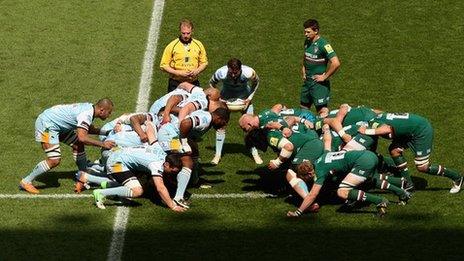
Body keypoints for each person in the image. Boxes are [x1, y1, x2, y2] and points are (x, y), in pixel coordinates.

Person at [19, 99, 116, 194]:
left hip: (58, 124)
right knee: (54, 160)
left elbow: (87, 128)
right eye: (109, 112)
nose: (109, 115)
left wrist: (107, 132)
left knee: (78, 145)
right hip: (47, 124)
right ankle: (26, 181)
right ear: (102, 110)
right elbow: (82, 137)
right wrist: (103, 144)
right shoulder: (86, 114)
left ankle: (83, 177)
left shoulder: (90, 108)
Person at [358, 112, 464, 193]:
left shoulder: (374, 124)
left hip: (421, 131)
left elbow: (386, 129)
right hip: (410, 130)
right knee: (394, 150)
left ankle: (457, 177)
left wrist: (366, 131)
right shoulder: (376, 116)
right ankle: (408, 184)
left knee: (422, 167)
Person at [93, 143, 186, 211]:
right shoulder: (156, 165)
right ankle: (101, 193)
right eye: (172, 171)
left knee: (141, 180)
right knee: (137, 191)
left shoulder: (163, 153)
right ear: (166, 164)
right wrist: (172, 206)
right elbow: (160, 188)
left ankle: (109, 185)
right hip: (115, 163)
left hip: (120, 153)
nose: (172, 174)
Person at [209, 58, 262, 165]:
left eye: (236, 72)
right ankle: (218, 155)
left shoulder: (249, 73)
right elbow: (211, 84)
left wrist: (250, 98)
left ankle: (255, 153)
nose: (233, 75)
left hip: (244, 97)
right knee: (220, 124)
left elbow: (257, 82)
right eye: (231, 72)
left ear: (240, 69)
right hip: (225, 98)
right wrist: (218, 99)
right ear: (228, 69)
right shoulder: (221, 73)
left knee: (250, 126)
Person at [300, 19, 340, 115]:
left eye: (308, 32)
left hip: (319, 85)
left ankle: (323, 129)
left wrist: (325, 77)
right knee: (303, 108)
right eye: (305, 31)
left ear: (316, 31)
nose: (305, 34)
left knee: (322, 111)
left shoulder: (324, 45)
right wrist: (304, 70)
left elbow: (336, 63)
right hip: (307, 82)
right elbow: (305, 56)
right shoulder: (307, 41)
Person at [160, 19, 208, 92]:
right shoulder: (172, 45)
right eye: (183, 33)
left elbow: (204, 63)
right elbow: (163, 65)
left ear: (192, 31)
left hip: (193, 83)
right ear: (180, 31)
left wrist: (197, 71)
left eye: (188, 33)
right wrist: (179, 73)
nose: (186, 36)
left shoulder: (198, 44)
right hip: (176, 83)